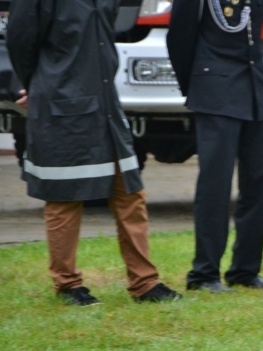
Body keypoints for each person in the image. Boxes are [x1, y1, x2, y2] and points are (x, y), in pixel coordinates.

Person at [6, 0, 181, 306]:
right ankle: (68, 285)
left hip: (105, 105)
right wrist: (38, 83)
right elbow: (20, 40)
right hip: (61, 103)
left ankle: (145, 283)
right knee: (64, 196)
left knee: (130, 193)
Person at [167, 0, 263, 293]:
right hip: (215, 86)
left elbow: (255, 29)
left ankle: (245, 269)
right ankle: (204, 273)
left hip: (254, 84)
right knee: (215, 185)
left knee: (258, 180)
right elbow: (178, 36)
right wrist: (196, 86)